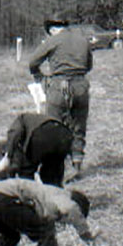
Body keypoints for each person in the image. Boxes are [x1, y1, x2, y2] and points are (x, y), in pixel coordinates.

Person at [28, 15, 92, 178]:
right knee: (78, 126)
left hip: (59, 86)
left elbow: (33, 62)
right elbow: (89, 65)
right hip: (80, 86)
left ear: (52, 29)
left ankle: (55, 169)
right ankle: (77, 165)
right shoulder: (82, 40)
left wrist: (40, 77)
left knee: (53, 127)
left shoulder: (53, 40)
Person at [1, 111, 73, 187]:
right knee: (52, 176)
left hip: (41, 134)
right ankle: (56, 194)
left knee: (26, 172)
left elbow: (15, 134)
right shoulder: (36, 119)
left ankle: (28, 194)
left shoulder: (21, 119)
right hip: (64, 135)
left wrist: (7, 156)